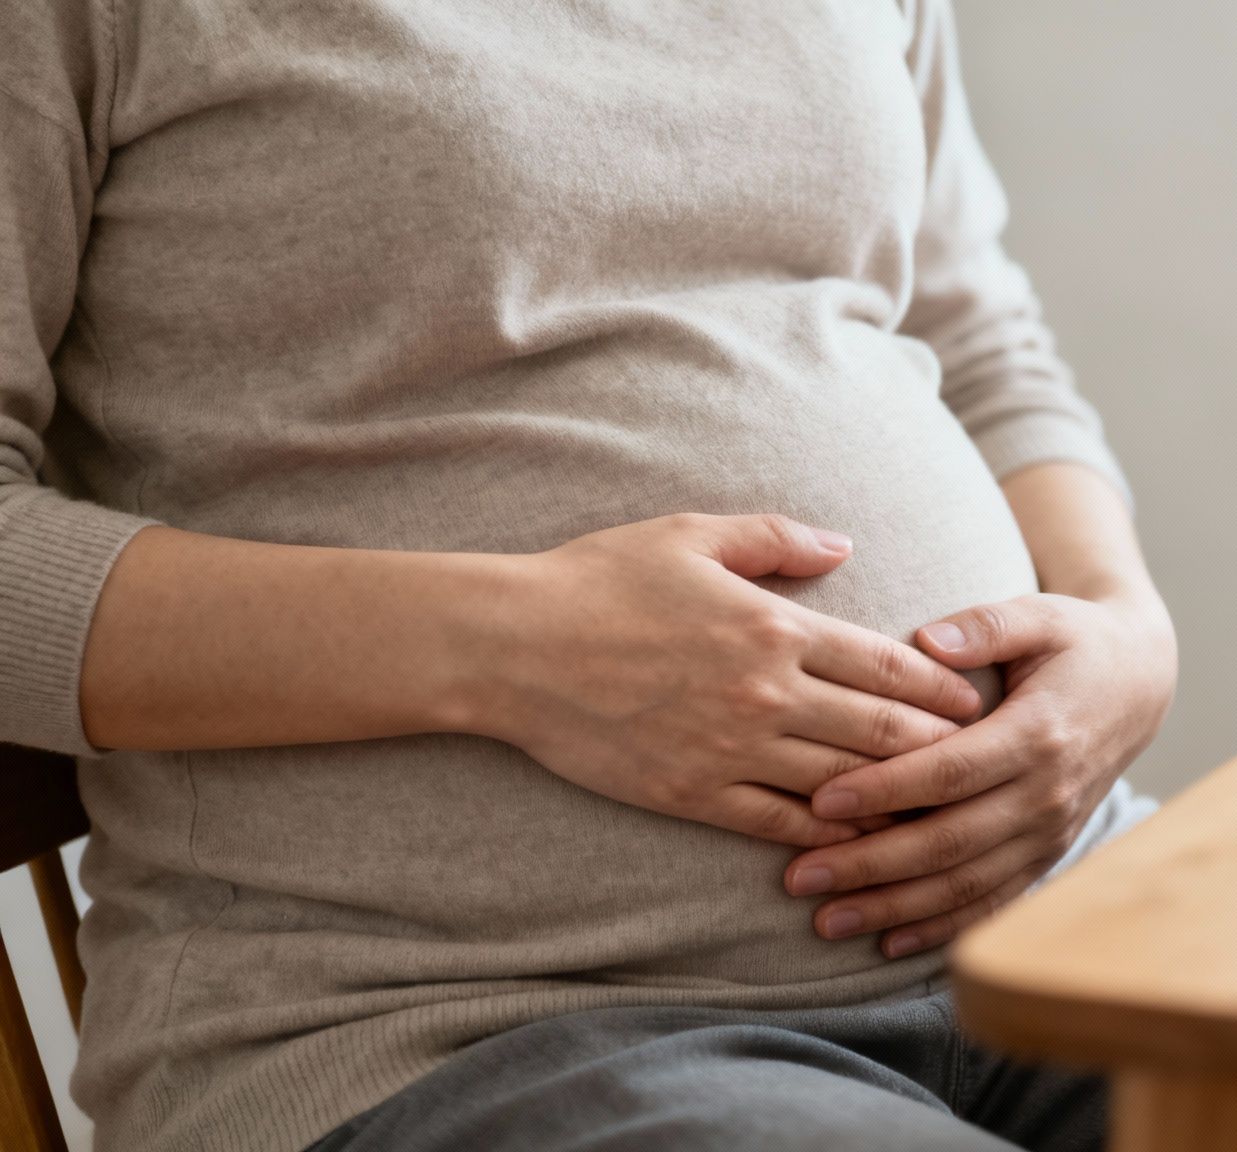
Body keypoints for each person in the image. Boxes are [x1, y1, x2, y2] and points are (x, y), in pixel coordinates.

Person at [0, 2, 1177, 1149]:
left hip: (1053, 916)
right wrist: (510, 651)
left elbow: (976, 342)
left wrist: (1125, 628)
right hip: (449, 1028)